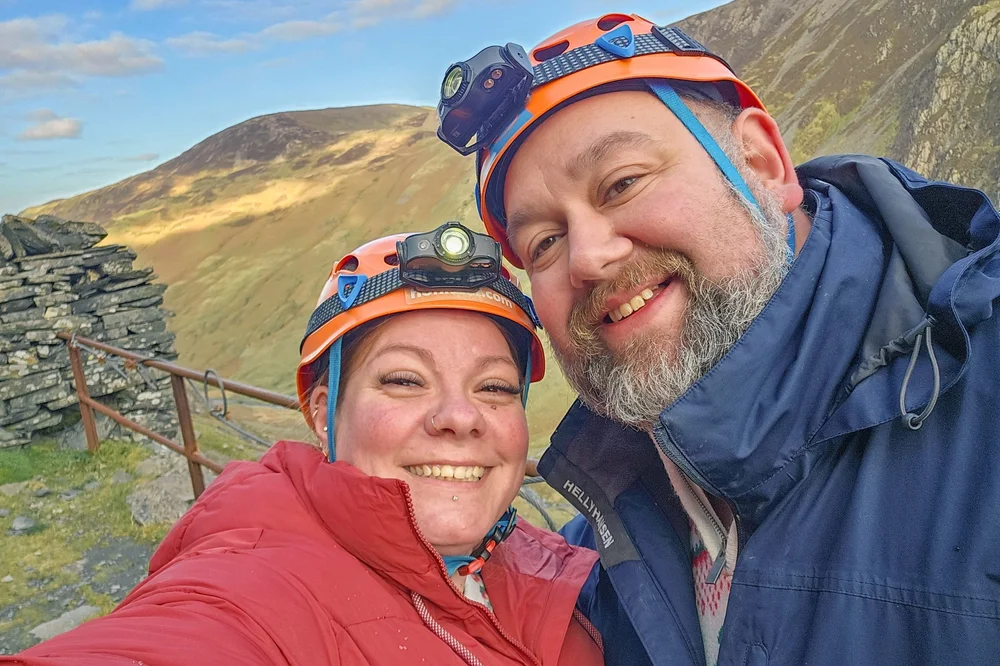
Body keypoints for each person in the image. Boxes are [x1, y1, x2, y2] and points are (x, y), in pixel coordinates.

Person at [434, 13, 1000, 666]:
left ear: (761, 161)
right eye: (545, 242)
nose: (586, 258)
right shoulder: (604, 556)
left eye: (621, 184)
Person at [5, 223, 604, 666]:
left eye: (495, 387)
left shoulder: (562, 558)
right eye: (404, 380)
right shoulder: (252, 584)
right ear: (322, 413)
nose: (459, 417)